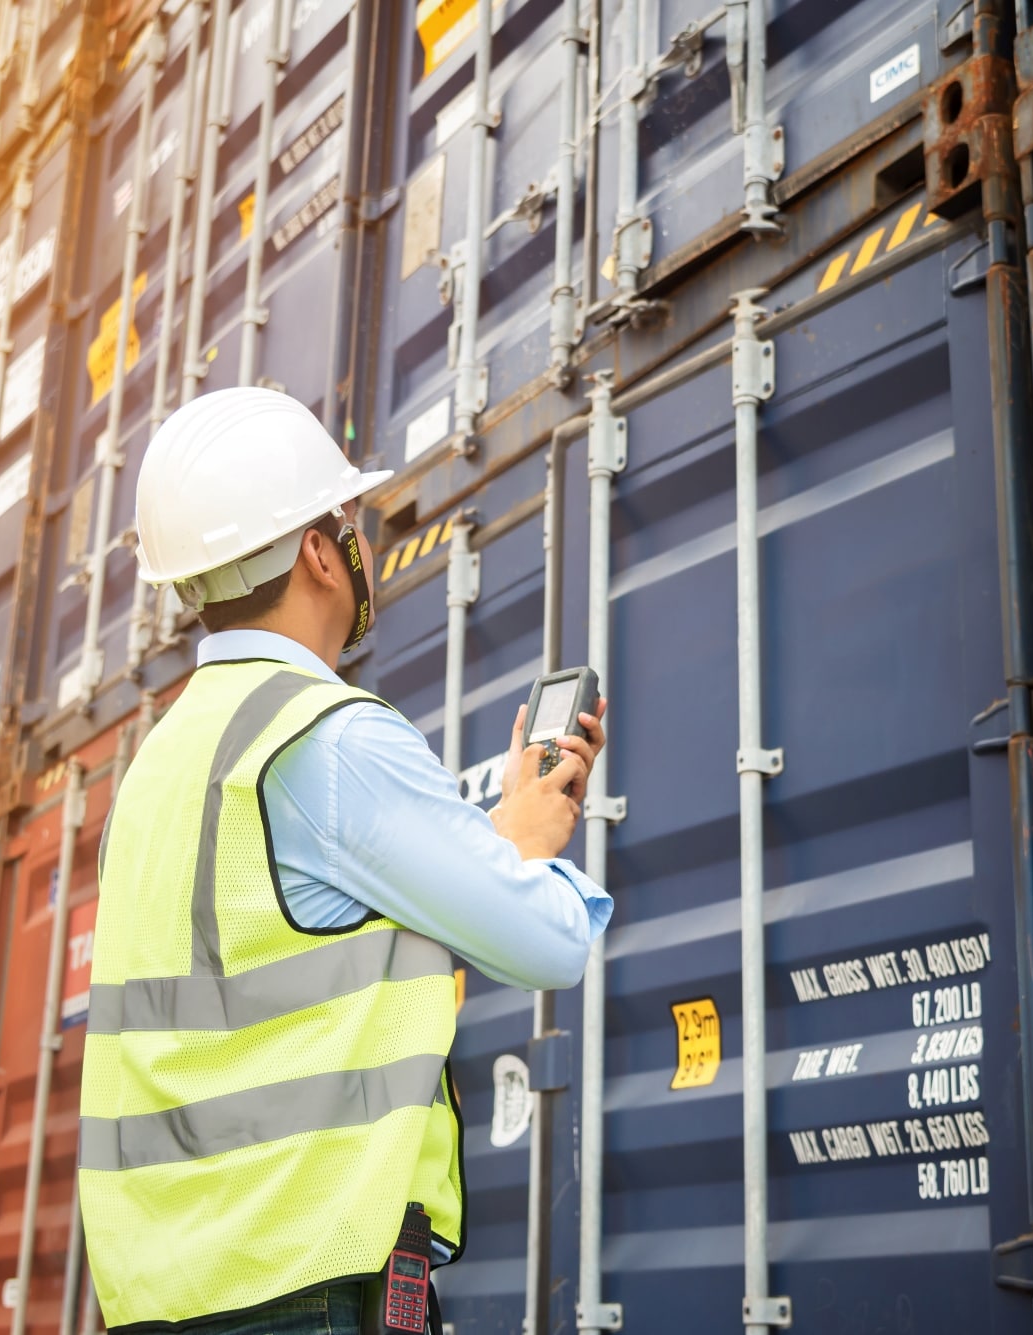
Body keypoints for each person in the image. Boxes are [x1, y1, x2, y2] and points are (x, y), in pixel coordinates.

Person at [77, 388, 610, 1334]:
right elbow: (549, 942)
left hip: (158, 1300)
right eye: (348, 518)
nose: (360, 539)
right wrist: (528, 848)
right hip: (306, 1283)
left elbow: (277, 948)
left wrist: (490, 843)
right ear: (322, 551)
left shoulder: (155, 769)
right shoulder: (328, 738)